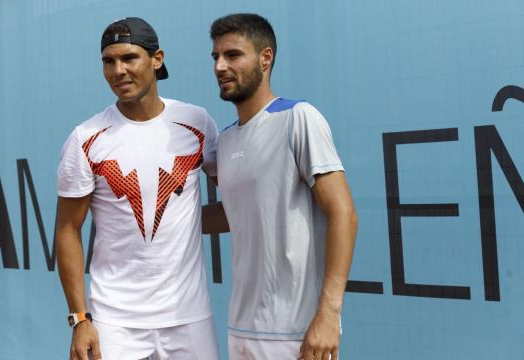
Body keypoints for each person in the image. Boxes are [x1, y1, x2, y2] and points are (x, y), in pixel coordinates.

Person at [56, 17, 220, 360]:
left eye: (129, 58)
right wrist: (80, 319)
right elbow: (67, 230)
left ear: (156, 59)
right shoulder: (86, 138)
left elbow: (239, 199)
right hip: (114, 321)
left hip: (188, 317)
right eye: (108, 61)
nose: (118, 71)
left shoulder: (197, 123)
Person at [204, 13, 358, 360]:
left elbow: (343, 214)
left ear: (265, 58)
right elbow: (238, 214)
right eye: (215, 57)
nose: (220, 66)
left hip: (299, 334)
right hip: (241, 330)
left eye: (233, 55)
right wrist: (162, 220)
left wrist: (329, 315)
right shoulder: (225, 141)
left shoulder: (298, 118)